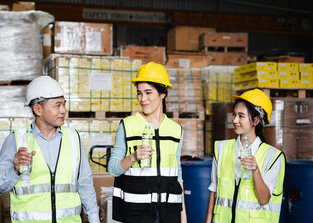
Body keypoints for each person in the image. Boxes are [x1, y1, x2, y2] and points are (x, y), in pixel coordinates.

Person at [0, 76, 99, 223]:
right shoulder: (16, 140)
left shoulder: (73, 138)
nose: (63, 110)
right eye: (57, 105)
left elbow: (85, 185)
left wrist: (94, 220)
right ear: (38, 109)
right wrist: (15, 170)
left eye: (64, 104)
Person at [108, 62, 187, 223]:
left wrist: (183, 216)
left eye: (148, 92)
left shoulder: (176, 130)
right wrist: (133, 157)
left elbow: (177, 175)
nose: (142, 99)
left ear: (163, 93)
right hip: (136, 213)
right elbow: (113, 169)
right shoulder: (127, 126)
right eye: (139, 93)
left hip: (169, 213)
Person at [205, 89, 286, 223]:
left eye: (241, 116)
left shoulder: (273, 157)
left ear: (256, 120)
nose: (234, 120)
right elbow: (214, 191)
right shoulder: (221, 148)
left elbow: (264, 199)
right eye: (234, 114)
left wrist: (256, 171)